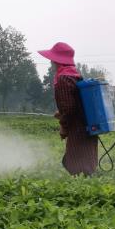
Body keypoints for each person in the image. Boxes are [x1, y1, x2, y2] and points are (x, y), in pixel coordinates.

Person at [38, 42, 98, 176]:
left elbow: (70, 109)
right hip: (87, 127)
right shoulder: (75, 75)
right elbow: (76, 103)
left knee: (77, 167)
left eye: (52, 60)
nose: (51, 63)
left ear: (58, 61)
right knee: (84, 164)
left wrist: (63, 127)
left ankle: (84, 193)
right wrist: (61, 113)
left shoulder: (63, 79)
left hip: (78, 130)